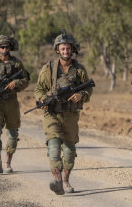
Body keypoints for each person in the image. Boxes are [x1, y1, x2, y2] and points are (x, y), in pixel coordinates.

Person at [35, 31, 93, 195]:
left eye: (68, 48)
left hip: (71, 115)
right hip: (52, 114)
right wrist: (42, 100)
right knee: (53, 147)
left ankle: (66, 180)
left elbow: (88, 88)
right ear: (57, 50)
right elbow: (39, 89)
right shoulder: (49, 68)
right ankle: (57, 180)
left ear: (72, 49)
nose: (65, 51)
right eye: (62, 48)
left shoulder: (79, 70)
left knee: (69, 152)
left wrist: (82, 95)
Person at [0, 35, 30, 174]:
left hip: (11, 102)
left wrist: (15, 83)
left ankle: (8, 162)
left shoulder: (16, 64)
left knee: (12, 134)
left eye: (7, 47)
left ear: (10, 48)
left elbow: (26, 79)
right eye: (2, 47)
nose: (4, 49)